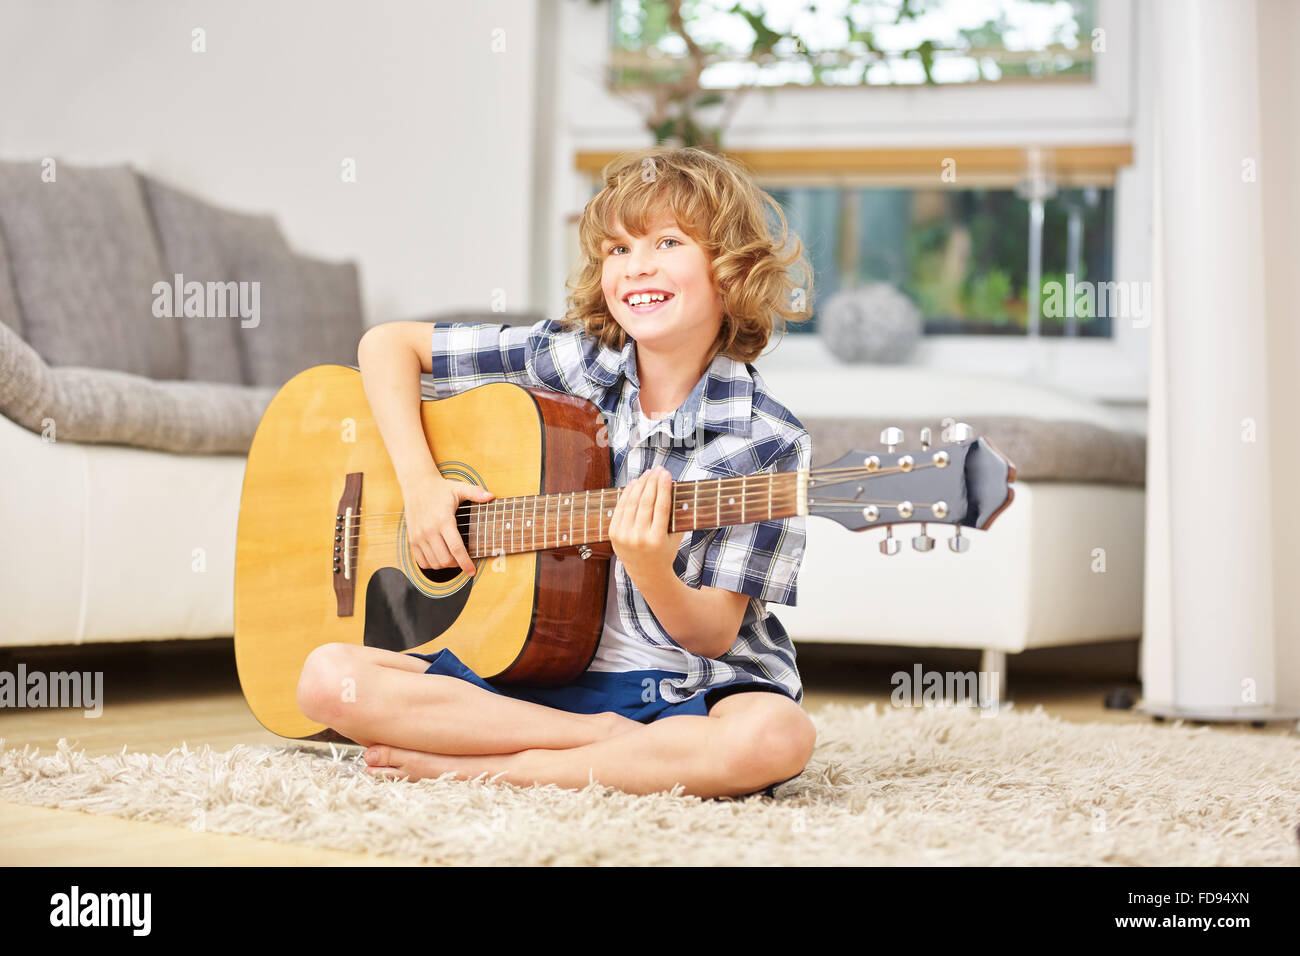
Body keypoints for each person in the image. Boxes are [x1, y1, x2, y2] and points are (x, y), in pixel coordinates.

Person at [296, 145, 817, 799]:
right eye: (618, 250)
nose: (638, 267)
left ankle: (495, 767)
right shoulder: (573, 359)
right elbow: (386, 344)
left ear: (732, 269)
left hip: (687, 688)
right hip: (534, 679)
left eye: (667, 242)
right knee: (324, 678)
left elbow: (712, 632)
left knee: (777, 736)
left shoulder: (765, 441)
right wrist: (422, 486)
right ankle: (597, 746)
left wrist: (651, 565)